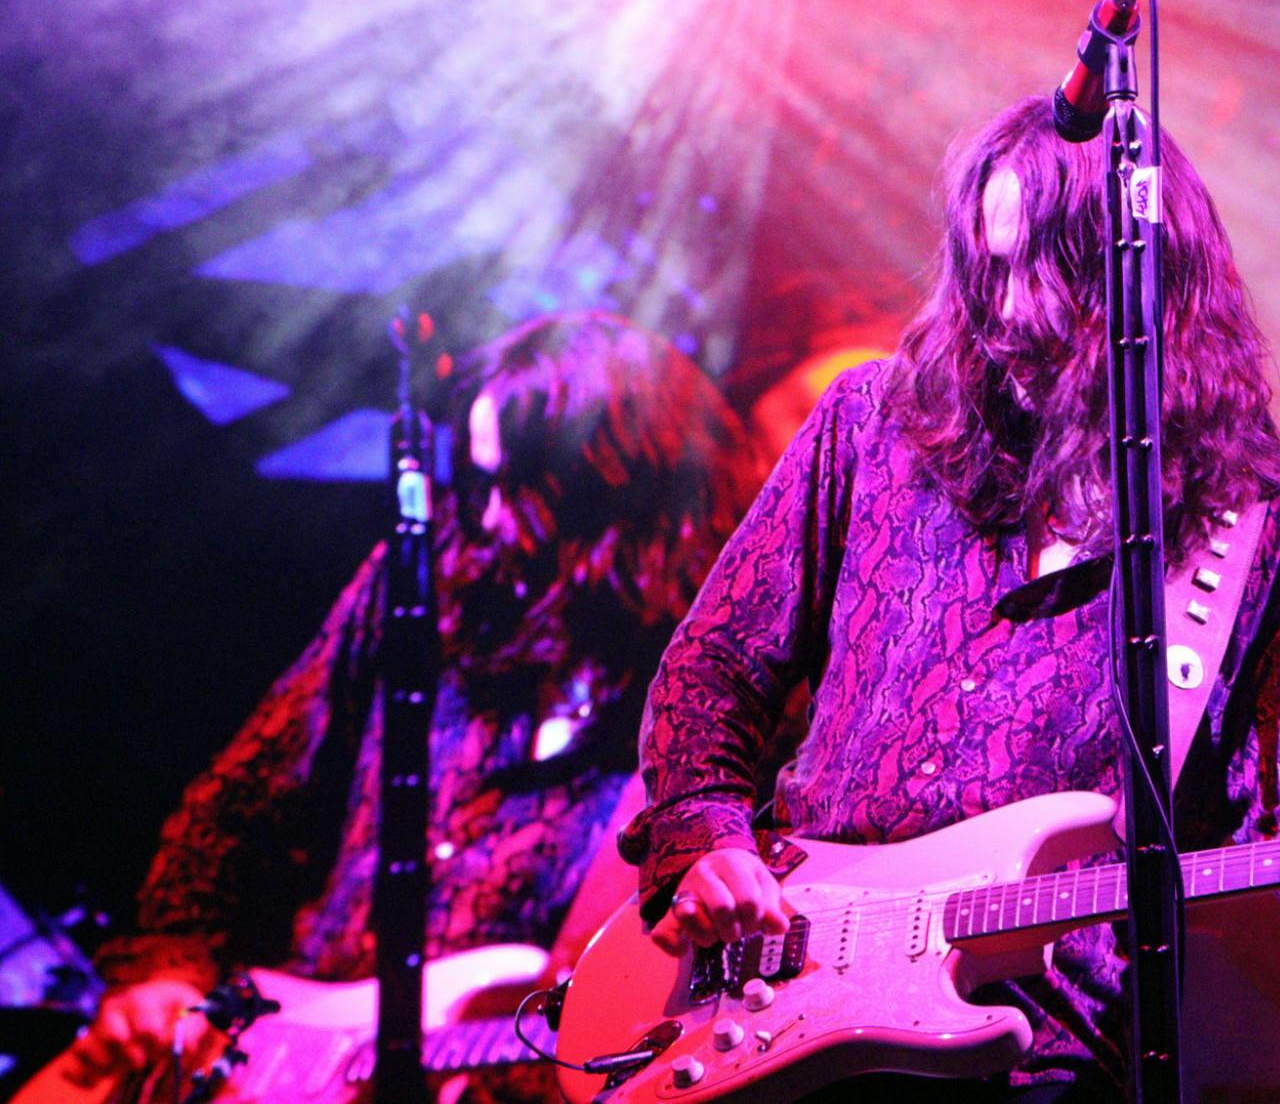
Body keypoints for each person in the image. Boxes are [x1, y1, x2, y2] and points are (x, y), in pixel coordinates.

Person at [618, 97, 1280, 1101]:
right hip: (772, 1018)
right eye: (983, 270)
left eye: (1034, 276)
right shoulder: (872, 428)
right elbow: (714, 664)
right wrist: (703, 836)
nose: (1001, 314)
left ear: (1145, 281)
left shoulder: (1279, 541)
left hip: (1037, 1061)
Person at [62, 311, 759, 1100]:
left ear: (624, 494)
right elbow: (244, 792)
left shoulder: (709, 700)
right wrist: (166, 964)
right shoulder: (428, 586)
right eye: (481, 479)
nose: (490, 515)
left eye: (523, 487)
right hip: (262, 1045)